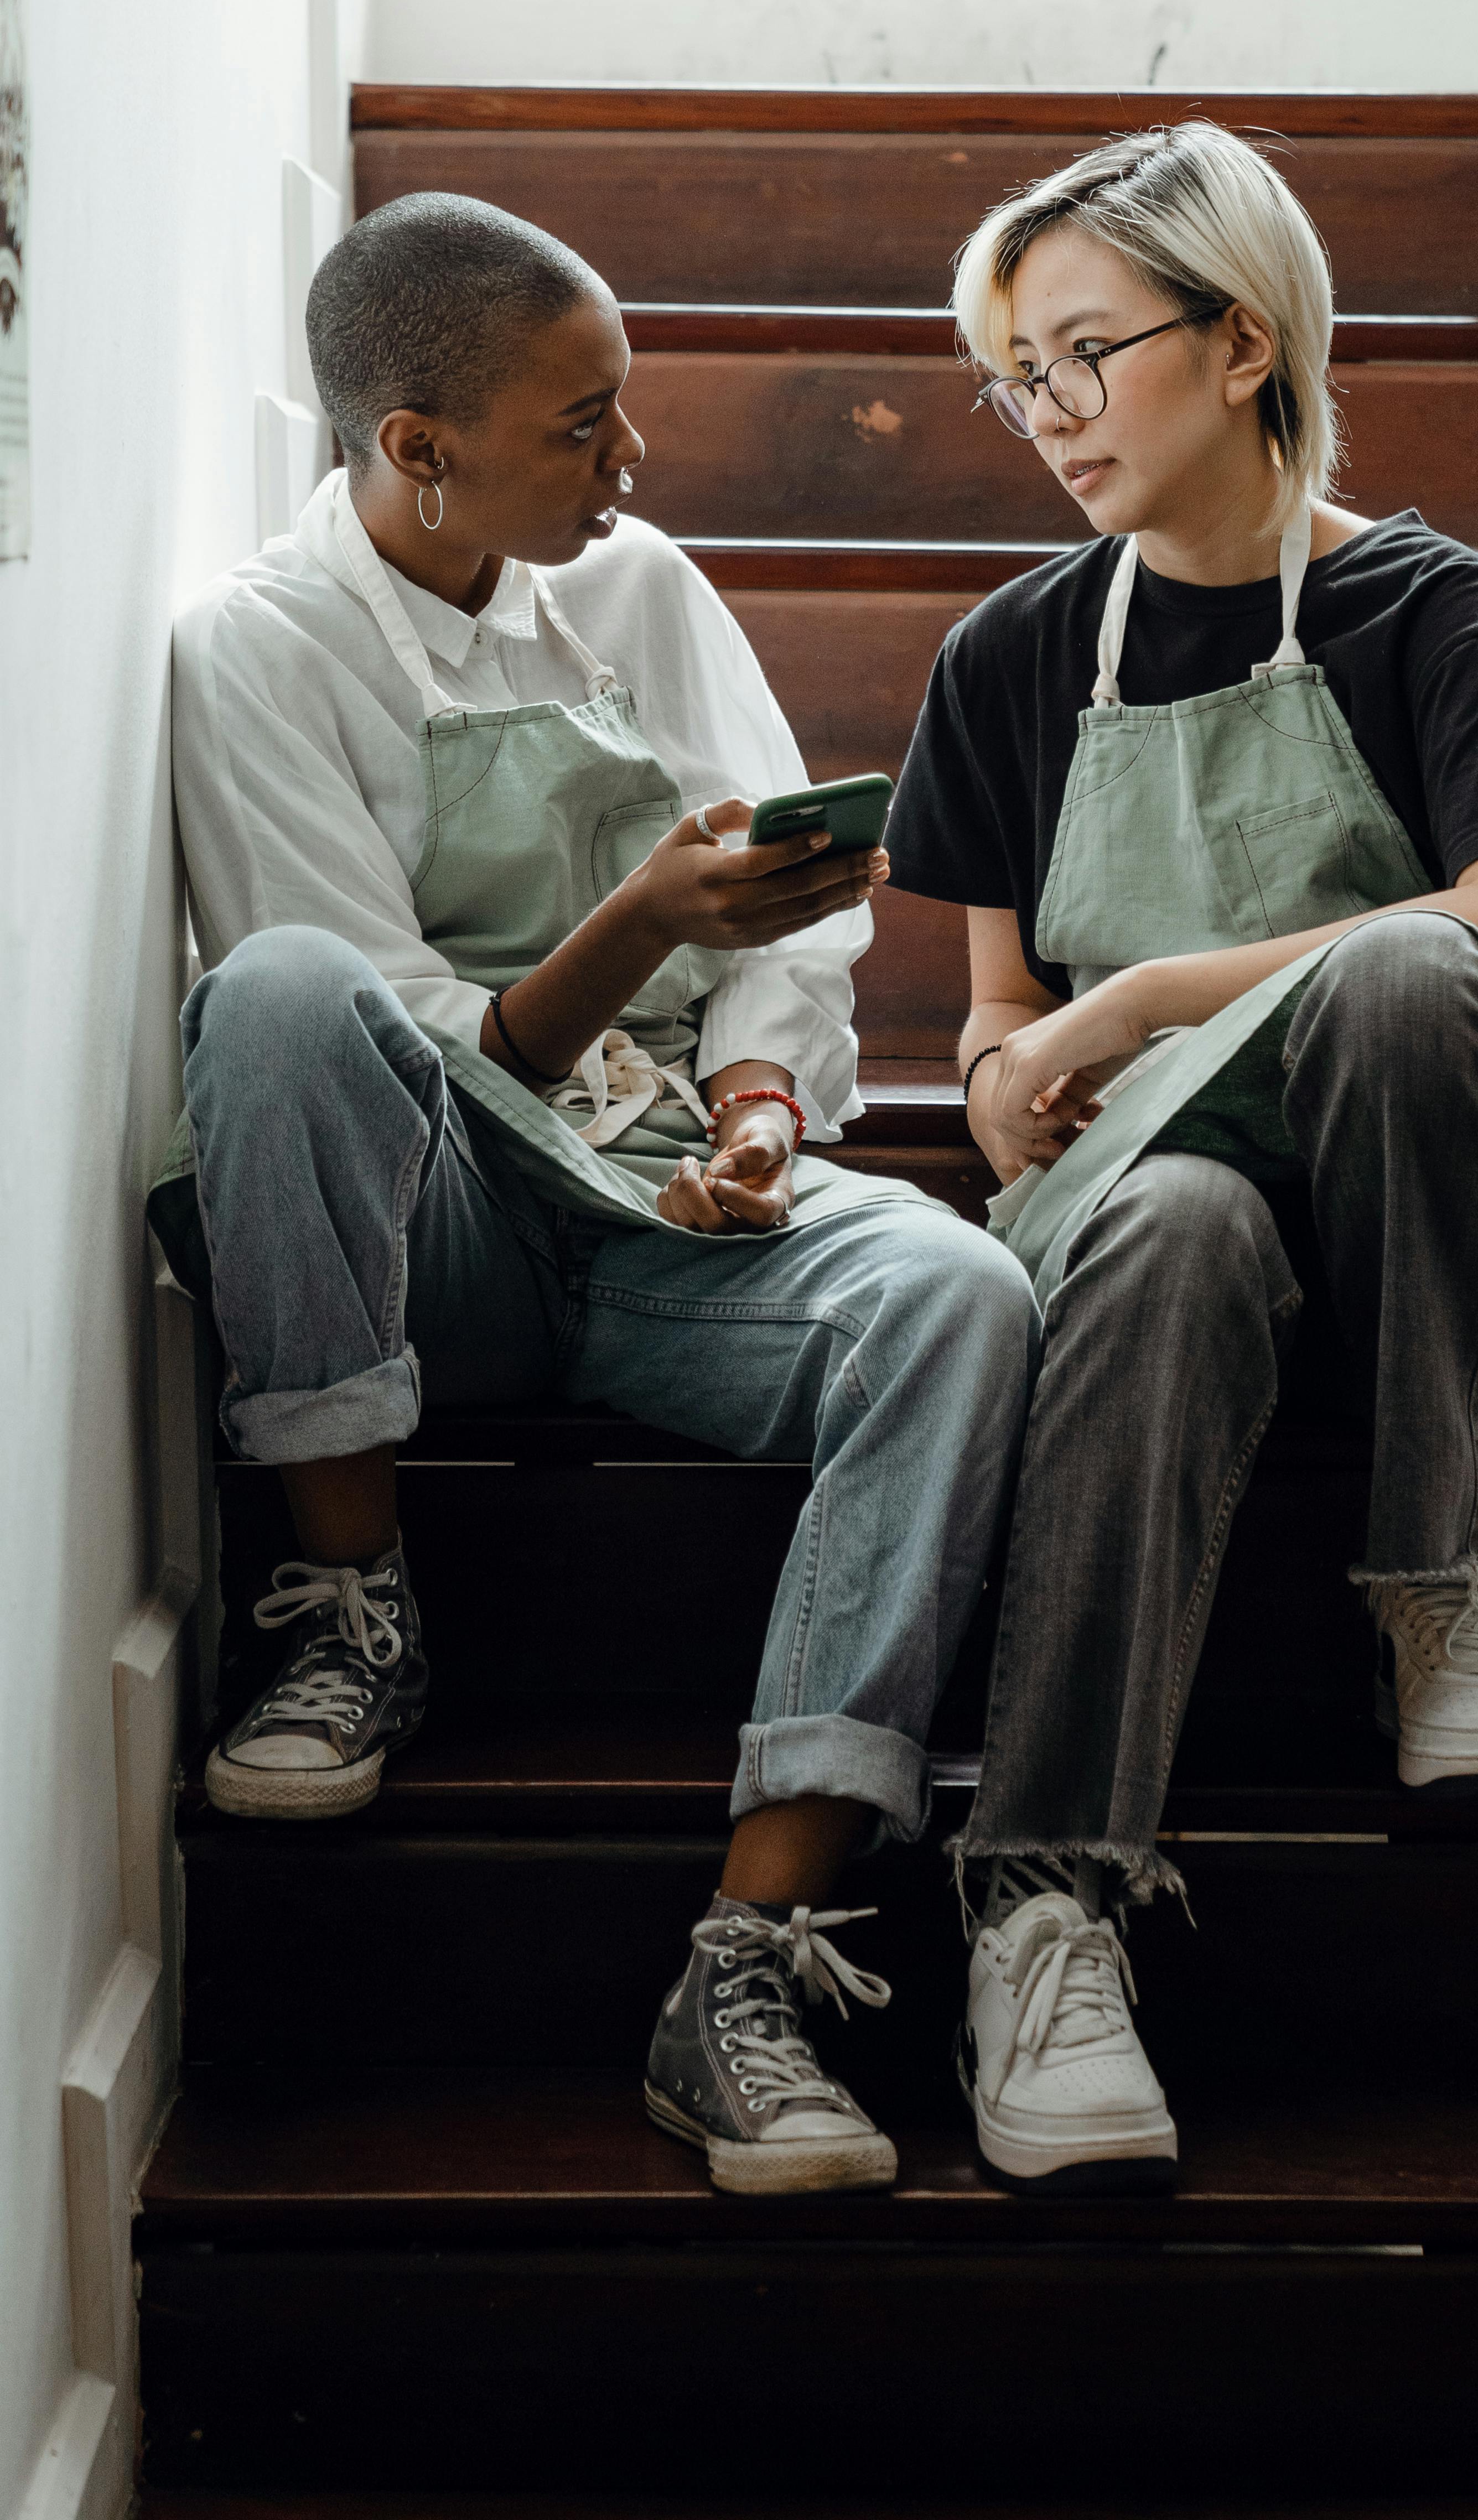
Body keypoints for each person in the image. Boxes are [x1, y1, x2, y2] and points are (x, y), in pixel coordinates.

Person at [152, 193, 1041, 2200]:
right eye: (583, 426)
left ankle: (752, 1952)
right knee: (276, 999)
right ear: (416, 444)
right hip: (435, 1234)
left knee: (961, 1293)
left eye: (623, 411)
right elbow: (393, 1039)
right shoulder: (258, 652)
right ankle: (353, 1599)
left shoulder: (636, 587)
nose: (631, 463)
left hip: (666, 1217)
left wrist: (749, 1103)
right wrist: (642, 913)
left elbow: (785, 933)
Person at [885, 122, 1478, 2191]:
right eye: (1014, 373)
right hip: (1154, 1205)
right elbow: (987, 1009)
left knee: (1411, 980)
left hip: (1432, 1192)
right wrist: (1004, 1075)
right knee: (1188, 1224)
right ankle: (1043, 1912)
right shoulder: (1015, 654)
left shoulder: (1427, 603)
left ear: (1241, 344)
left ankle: (1445, 1581)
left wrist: (1141, 1000)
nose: (1046, 416)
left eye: (1084, 355)